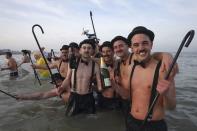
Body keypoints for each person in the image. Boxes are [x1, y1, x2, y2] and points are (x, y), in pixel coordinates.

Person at [124, 26, 178, 131]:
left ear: (151, 44)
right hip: (130, 121)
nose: (140, 48)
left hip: (153, 125)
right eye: (136, 45)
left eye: (145, 43)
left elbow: (172, 107)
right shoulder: (130, 66)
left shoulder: (163, 69)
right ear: (131, 48)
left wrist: (166, 94)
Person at [58, 39, 102, 116]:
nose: (86, 50)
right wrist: (62, 87)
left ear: (92, 51)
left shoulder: (96, 66)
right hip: (74, 96)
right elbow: (68, 78)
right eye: (84, 48)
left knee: (91, 120)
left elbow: (99, 84)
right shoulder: (73, 63)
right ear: (80, 50)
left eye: (89, 48)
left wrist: (100, 88)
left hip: (89, 97)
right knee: (69, 119)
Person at [97, 41, 119, 109]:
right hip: (102, 99)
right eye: (103, 52)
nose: (106, 54)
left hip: (117, 100)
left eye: (108, 51)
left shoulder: (119, 63)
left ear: (113, 51)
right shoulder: (98, 62)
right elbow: (86, 57)